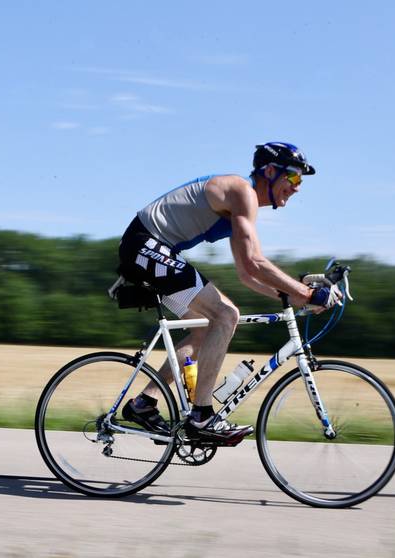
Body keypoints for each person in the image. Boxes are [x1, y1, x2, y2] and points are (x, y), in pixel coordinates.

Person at [117, 142, 343, 445]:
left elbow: (246, 274)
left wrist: (288, 297)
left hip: (152, 249)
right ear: (271, 171)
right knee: (226, 315)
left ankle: (144, 403)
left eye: (300, 181)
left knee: (207, 328)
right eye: (294, 178)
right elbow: (257, 262)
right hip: (146, 243)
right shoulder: (242, 192)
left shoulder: (242, 204)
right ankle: (202, 416)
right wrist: (306, 292)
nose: (297, 188)